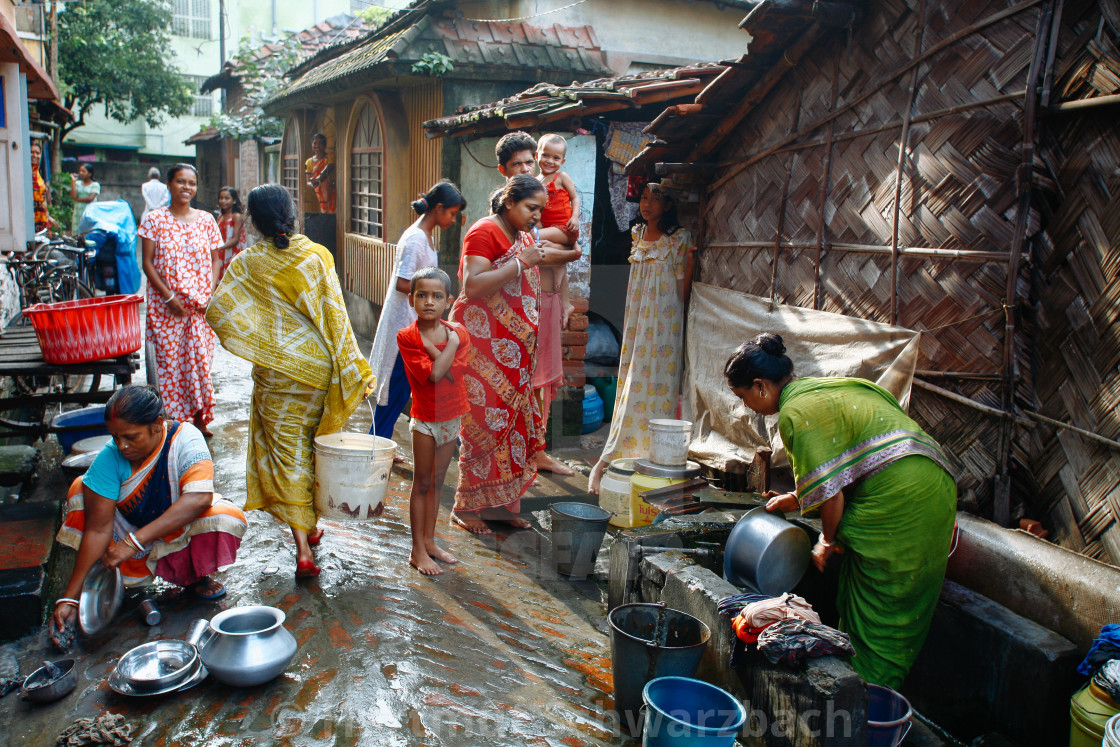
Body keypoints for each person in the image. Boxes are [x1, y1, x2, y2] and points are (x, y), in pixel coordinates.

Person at [725, 333, 957, 688]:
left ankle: (869, 692)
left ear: (760, 386)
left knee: (881, 608)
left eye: (743, 398)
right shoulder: (825, 390)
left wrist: (827, 540)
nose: (747, 408)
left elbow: (832, 496)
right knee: (884, 594)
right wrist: (797, 498)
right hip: (933, 484)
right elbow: (847, 461)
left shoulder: (794, 413)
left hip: (901, 499)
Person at [207, 184, 375, 578]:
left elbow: (218, 309)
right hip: (317, 369)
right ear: (293, 213)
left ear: (252, 220)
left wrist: (263, 341)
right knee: (312, 447)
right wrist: (354, 367)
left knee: (287, 455)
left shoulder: (247, 264)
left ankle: (302, 550)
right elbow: (336, 318)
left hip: (277, 374)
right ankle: (312, 526)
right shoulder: (316, 257)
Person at [50, 386, 247, 649]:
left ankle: (194, 578)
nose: (122, 445)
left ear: (157, 425)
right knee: (81, 490)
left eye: (131, 437)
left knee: (225, 517)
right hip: (131, 527)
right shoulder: (111, 457)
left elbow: (199, 499)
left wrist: (132, 543)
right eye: (116, 437)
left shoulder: (185, 438)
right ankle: (130, 582)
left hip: (176, 527)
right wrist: (69, 599)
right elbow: (98, 530)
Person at [447, 174, 547, 535]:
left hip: (513, 355)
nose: (537, 215)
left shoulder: (522, 237)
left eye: (540, 210)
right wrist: (522, 263)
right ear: (509, 202)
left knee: (514, 427)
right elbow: (471, 286)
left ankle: (502, 508)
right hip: (482, 349)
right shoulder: (484, 231)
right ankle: (466, 508)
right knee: (481, 428)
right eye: (531, 207)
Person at [588, 182, 697, 493]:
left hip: (664, 323)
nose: (647, 204)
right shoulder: (636, 234)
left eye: (656, 199)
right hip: (637, 319)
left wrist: (689, 263)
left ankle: (651, 456)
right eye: (645, 198)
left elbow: (681, 293)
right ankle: (611, 458)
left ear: (669, 204)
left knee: (660, 385)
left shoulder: (679, 239)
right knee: (630, 381)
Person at [368, 181, 466, 441]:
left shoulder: (425, 236)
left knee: (403, 389)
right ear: (439, 208)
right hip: (405, 325)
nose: (453, 220)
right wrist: (434, 292)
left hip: (415, 324)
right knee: (397, 387)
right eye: (452, 214)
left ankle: (381, 440)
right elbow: (402, 282)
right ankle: (376, 442)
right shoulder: (416, 239)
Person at [139, 163, 223, 438]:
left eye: (191, 183)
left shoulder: (207, 220)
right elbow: (148, 264)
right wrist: (169, 297)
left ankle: (200, 418)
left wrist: (209, 294)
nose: (187, 187)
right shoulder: (154, 220)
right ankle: (173, 422)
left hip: (199, 308)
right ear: (169, 184)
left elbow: (215, 260)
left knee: (199, 364)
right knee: (170, 365)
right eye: (180, 182)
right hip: (168, 309)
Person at [397, 267, 471, 574]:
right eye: (422, 295)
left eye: (437, 296)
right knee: (422, 482)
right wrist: (446, 346)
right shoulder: (407, 337)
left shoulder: (461, 332)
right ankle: (417, 550)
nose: (429, 302)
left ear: (448, 301)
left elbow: (453, 374)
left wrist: (435, 348)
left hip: (452, 417)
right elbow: (436, 374)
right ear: (412, 300)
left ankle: (429, 541)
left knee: (438, 482)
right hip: (425, 419)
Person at [533, 133, 581, 476]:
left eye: (556, 158)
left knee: (546, 379)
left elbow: (576, 201)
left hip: (562, 231)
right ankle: (532, 450)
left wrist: (576, 221)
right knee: (536, 378)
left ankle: (537, 450)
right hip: (537, 299)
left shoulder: (562, 181)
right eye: (544, 156)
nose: (550, 162)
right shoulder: (533, 186)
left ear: (562, 162)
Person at [214, 186, 247, 282]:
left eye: (226, 198)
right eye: (221, 198)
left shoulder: (236, 216)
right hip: (222, 251)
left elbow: (235, 239)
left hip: (232, 252)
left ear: (234, 201)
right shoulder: (220, 215)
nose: (223, 201)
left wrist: (219, 248)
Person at [30, 140, 58, 233]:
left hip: (41, 221)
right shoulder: (23, 172)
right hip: (29, 220)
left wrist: (49, 217)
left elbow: (41, 201)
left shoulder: (37, 174)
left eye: (37, 153)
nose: (34, 155)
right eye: (31, 152)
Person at [305, 133, 336, 213]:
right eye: (315, 143)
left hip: (331, 193)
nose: (317, 146)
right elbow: (308, 182)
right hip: (317, 195)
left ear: (325, 145)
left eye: (320, 143)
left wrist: (318, 179)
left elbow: (329, 168)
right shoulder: (309, 162)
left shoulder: (330, 157)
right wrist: (314, 184)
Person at [69, 163, 101, 234]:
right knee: (77, 230)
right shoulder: (77, 183)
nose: (80, 173)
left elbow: (90, 198)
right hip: (78, 210)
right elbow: (73, 196)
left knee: (88, 230)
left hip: (89, 210)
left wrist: (78, 200)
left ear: (89, 173)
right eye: (80, 171)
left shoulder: (95, 185)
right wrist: (73, 182)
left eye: (83, 171)